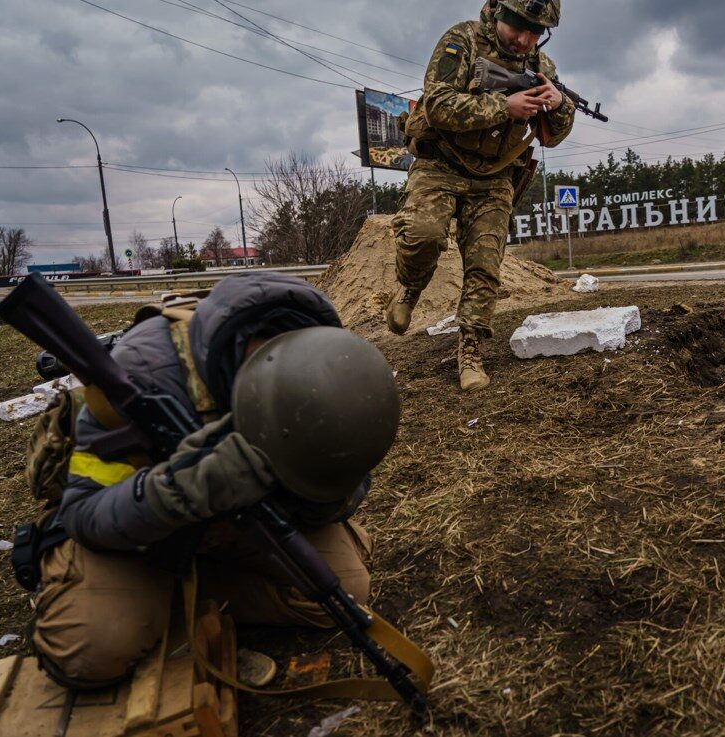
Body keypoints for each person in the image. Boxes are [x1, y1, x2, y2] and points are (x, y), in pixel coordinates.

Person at [30, 273, 399, 688]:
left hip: (233, 518)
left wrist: (315, 496)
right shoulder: (142, 372)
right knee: (90, 651)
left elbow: (345, 482)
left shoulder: (327, 370)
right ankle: (145, 596)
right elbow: (83, 513)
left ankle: (182, 594)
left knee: (340, 592)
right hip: (138, 530)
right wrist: (183, 487)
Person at [387, 0, 575, 392]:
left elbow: (552, 137)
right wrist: (502, 106)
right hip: (440, 165)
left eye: (535, 31)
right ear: (497, 12)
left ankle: (470, 350)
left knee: (485, 265)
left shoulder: (542, 68)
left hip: (493, 177)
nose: (524, 39)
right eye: (518, 27)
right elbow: (437, 105)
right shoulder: (461, 41)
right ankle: (410, 286)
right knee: (423, 235)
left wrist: (559, 106)